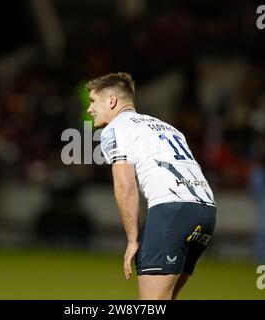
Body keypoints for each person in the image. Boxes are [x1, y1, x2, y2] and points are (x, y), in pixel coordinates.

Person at [86, 72, 216, 300]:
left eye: (93, 101)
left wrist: (132, 239)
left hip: (172, 211)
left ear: (112, 101)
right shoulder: (168, 128)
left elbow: (125, 184)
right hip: (205, 212)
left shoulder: (115, 129)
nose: (89, 109)